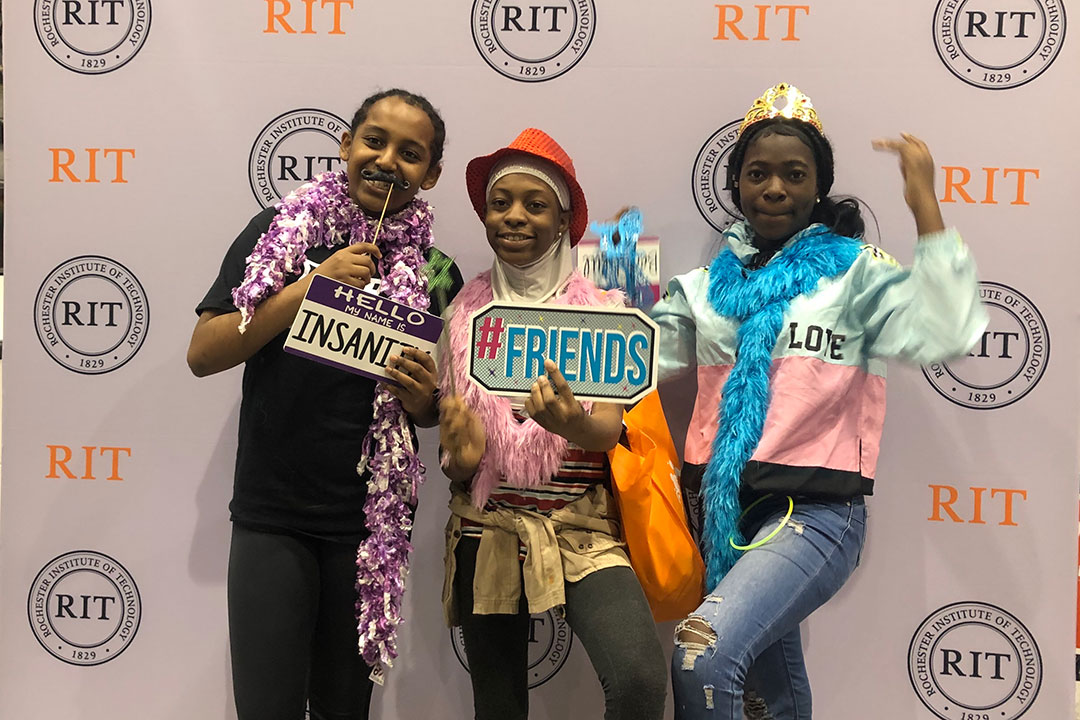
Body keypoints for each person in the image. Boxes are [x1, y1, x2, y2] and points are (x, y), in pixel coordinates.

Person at [651, 83, 987, 719]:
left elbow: (950, 332)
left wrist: (926, 210)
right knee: (770, 698)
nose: (774, 188)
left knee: (704, 653)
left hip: (817, 515)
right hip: (726, 517)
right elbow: (633, 361)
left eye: (794, 174)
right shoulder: (700, 288)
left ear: (818, 186)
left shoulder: (856, 271)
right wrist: (598, 289)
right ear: (736, 187)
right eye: (758, 174)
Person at [186, 88, 462, 720]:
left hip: (366, 530)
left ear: (432, 173)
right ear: (346, 146)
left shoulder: (437, 271)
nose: (388, 160)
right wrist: (314, 285)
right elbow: (205, 351)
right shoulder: (279, 232)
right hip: (272, 515)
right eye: (375, 141)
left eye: (411, 153)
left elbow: (426, 404)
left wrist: (425, 403)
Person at [437, 128, 667, 720]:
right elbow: (459, 460)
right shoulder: (463, 313)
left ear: (564, 220)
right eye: (500, 203)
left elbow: (607, 432)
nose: (514, 217)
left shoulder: (606, 311)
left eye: (535, 204)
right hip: (485, 529)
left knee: (639, 680)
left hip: (581, 527)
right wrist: (459, 459)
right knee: (498, 706)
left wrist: (572, 425)